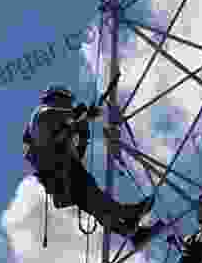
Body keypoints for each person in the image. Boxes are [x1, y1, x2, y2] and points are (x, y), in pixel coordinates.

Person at [23, 85, 155, 241]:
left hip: (62, 178)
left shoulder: (58, 128)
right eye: (67, 102)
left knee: (97, 206)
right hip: (60, 174)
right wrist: (79, 115)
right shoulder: (41, 114)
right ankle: (129, 213)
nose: (69, 106)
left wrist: (83, 134)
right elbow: (51, 116)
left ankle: (132, 233)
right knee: (95, 198)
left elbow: (77, 154)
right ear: (56, 98)